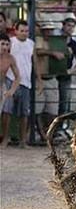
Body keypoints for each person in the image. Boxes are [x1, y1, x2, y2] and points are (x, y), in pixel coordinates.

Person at [3, 20, 43, 148]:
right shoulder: (10, 42)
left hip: (26, 81)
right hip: (10, 79)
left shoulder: (31, 44)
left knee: (24, 113)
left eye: (26, 31)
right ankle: (5, 139)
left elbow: (35, 63)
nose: (24, 33)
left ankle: (23, 141)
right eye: (22, 31)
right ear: (16, 30)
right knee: (7, 111)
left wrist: (39, 80)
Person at [35, 22, 64, 140]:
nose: (48, 32)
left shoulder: (56, 42)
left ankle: (48, 134)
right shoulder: (38, 40)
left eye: (50, 30)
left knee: (52, 109)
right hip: (40, 78)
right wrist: (52, 53)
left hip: (52, 78)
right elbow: (38, 51)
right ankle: (42, 134)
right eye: (46, 30)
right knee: (38, 108)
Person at [57, 17, 76, 115]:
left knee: (64, 103)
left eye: (73, 26)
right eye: (68, 25)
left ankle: (62, 127)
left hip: (65, 77)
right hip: (51, 76)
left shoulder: (74, 44)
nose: (70, 28)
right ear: (63, 25)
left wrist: (71, 71)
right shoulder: (55, 41)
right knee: (50, 104)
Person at [0, 32, 21, 147]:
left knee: (5, 112)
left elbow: (17, 77)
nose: (5, 47)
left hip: (2, 86)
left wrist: (12, 90)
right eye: (2, 44)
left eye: (7, 44)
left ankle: (5, 138)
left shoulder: (10, 58)